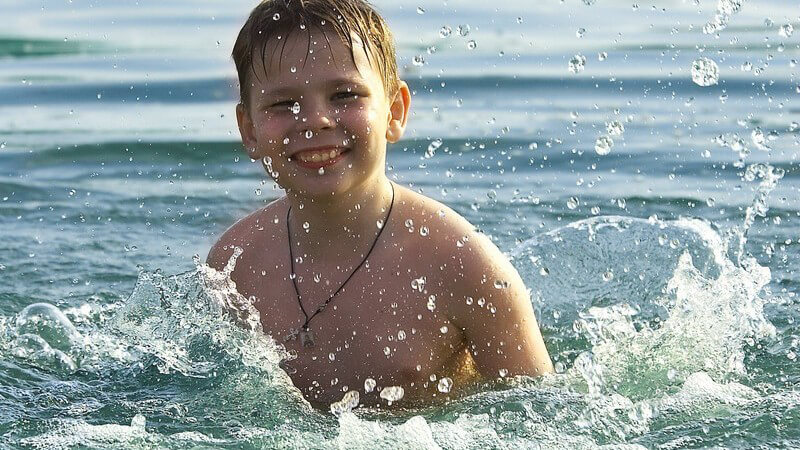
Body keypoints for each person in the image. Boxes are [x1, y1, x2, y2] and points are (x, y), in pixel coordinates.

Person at [206, 0, 552, 409]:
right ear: (249, 129)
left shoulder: (462, 267)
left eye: (345, 95)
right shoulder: (235, 264)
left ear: (394, 110)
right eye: (284, 104)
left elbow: (540, 413)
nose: (316, 120)